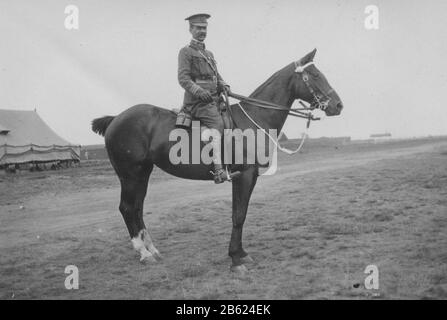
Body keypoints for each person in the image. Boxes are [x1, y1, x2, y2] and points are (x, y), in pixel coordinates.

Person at [178, 13, 234, 184]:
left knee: (232, 121)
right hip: (197, 103)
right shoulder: (185, 52)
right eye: (198, 28)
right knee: (217, 125)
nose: (202, 31)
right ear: (190, 29)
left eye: (204, 28)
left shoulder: (208, 53)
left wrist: (224, 85)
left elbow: (216, 76)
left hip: (214, 100)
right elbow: (183, 79)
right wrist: (198, 90)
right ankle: (218, 171)